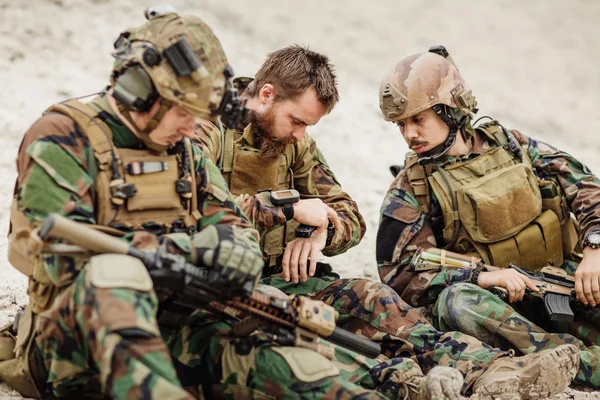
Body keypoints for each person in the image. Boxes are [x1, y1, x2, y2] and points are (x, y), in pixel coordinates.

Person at [0, 8, 401, 400]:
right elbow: (42, 252)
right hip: (73, 346)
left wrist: (221, 256)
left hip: (177, 324)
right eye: (185, 112)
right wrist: (179, 252)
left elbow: (239, 235)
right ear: (139, 89)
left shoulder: (183, 153)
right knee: (112, 273)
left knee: (295, 369)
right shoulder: (64, 137)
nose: (194, 128)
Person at [197, 44, 580, 399]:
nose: (301, 134)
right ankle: (407, 384)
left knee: (374, 298)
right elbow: (194, 201)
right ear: (266, 95)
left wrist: (316, 233)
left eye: (307, 126)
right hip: (221, 284)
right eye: (297, 121)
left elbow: (349, 216)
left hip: (285, 277)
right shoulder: (208, 127)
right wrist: (285, 208)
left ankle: (492, 371)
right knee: (307, 339)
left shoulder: (293, 144)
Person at [376, 46, 600, 389]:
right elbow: (399, 275)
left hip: (560, 282)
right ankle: (573, 365)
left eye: (418, 119)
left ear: (450, 110)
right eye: (401, 125)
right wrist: (482, 277)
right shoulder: (412, 188)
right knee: (456, 303)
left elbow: (584, 184)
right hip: (499, 308)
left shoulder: (513, 147)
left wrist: (594, 248)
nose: (409, 135)